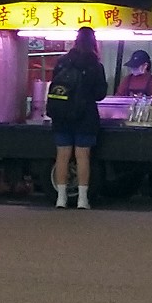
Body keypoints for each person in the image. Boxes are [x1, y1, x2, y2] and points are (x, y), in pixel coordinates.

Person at [50, 26, 108, 210]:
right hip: (85, 116)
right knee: (83, 156)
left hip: (61, 116)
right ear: (93, 42)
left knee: (62, 156)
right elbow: (100, 94)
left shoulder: (61, 62)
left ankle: (61, 198)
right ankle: (82, 200)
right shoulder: (95, 65)